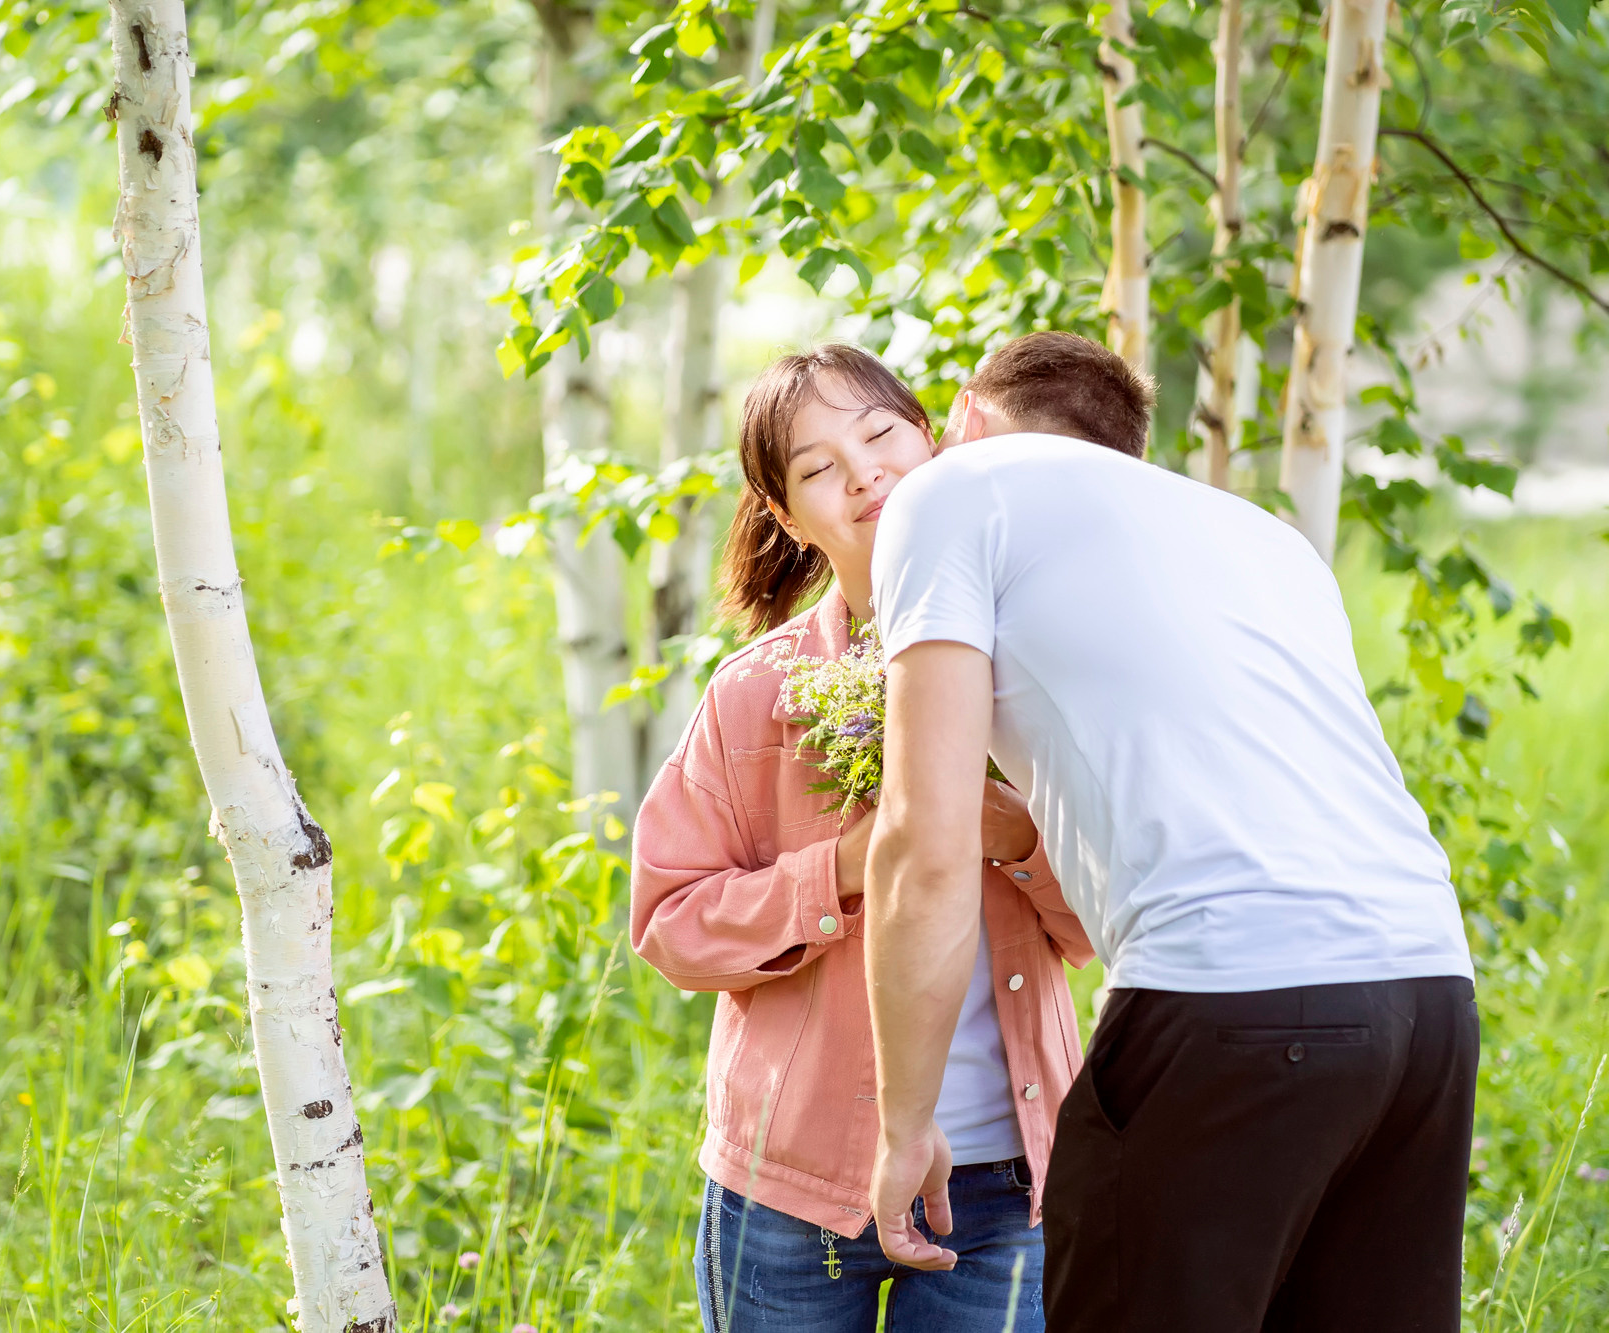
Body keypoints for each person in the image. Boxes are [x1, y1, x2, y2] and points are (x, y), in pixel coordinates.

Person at [863, 330, 1480, 1332]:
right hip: (1426, 1003)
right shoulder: (1260, 538)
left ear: (966, 421)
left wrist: (901, 1126)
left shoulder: (953, 490)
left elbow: (919, 844)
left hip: (1229, 998)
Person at [630, 345, 1093, 1333]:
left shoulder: (1039, 665)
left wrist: (1012, 835)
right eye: (815, 466)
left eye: (880, 434)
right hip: (789, 1189)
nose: (863, 472)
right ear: (789, 516)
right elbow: (669, 922)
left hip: (1011, 1185)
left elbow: (1107, 919)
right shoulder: (756, 693)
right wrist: (835, 868)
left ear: (933, 439)